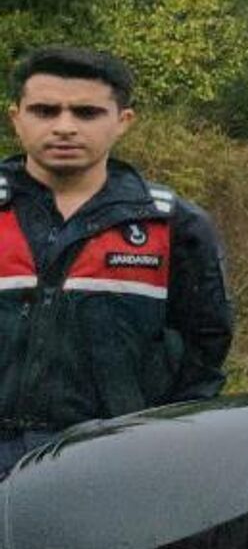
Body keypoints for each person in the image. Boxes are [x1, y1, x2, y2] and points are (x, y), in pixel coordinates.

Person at [1, 48, 233, 469]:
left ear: (123, 121)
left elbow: (205, 355)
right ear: (16, 117)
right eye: (45, 110)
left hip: (109, 464)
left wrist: (157, 447)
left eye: (86, 113)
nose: (64, 127)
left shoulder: (174, 226)